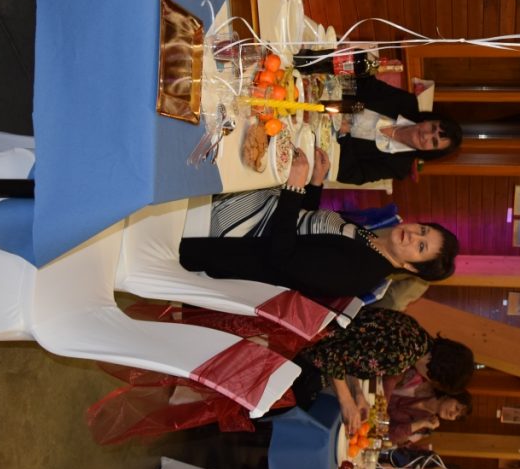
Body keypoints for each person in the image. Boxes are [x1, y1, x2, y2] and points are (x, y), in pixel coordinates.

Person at [180, 147, 459, 298]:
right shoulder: (372, 241)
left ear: (411, 267)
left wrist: (294, 189)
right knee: (250, 153)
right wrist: (315, 184)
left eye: (420, 247)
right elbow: (307, 228)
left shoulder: (358, 274)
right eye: (423, 230)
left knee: (221, 158)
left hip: (235, 236)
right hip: (263, 211)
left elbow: (282, 256)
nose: (413, 235)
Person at [294, 308, 474, 432]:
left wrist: (358, 393)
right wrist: (346, 400)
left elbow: (350, 353)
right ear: (438, 373)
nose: (429, 380)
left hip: (317, 326)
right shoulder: (402, 356)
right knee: (308, 415)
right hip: (304, 344)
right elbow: (331, 354)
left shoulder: (416, 332)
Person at [335, 76, 463, 185]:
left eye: (434, 142)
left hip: (326, 144)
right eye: (432, 127)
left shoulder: (398, 166)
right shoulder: (406, 102)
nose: (426, 135)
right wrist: (335, 86)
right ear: (428, 120)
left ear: (431, 152)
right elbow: (365, 84)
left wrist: (343, 135)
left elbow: (350, 174)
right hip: (331, 102)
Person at [388, 390, 471, 446]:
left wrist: (422, 423)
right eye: (456, 408)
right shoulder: (423, 387)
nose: (452, 415)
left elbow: (389, 438)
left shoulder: (426, 426)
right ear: (450, 396)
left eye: (456, 417)